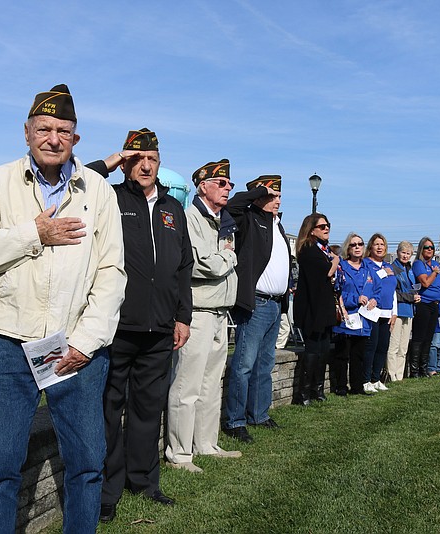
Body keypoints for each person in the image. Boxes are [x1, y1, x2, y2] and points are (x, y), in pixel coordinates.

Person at [0, 84, 127, 532]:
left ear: (76, 139)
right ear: (26, 132)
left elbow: (112, 274)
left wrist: (87, 343)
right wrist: (34, 235)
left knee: (87, 463)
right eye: (43, 128)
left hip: (75, 347)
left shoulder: (99, 192)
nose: (53, 138)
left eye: (63, 130)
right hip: (4, 342)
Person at [86, 127, 193, 520]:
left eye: (152, 159)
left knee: (149, 408)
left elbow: (184, 267)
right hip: (118, 325)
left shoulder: (172, 209)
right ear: (127, 164)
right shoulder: (110, 197)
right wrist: (115, 157)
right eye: (137, 159)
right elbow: (82, 177)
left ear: (160, 164)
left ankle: (145, 482)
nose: (145, 165)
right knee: (109, 409)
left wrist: (183, 316)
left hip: (161, 327)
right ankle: (107, 491)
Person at [165, 159, 240, 474]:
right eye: (221, 183)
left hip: (221, 312)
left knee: (212, 383)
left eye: (229, 184)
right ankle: (180, 453)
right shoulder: (190, 218)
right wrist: (229, 257)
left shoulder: (225, 222)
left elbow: (216, 260)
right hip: (197, 312)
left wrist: (223, 257)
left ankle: (206, 444)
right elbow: (199, 264)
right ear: (203, 185)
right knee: (187, 385)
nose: (227, 189)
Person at [222, 175, 290, 440]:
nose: (278, 201)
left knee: (265, 364)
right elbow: (233, 205)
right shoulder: (248, 218)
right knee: (244, 364)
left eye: (279, 196)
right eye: (273, 196)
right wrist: (259, 192)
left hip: (275, 304)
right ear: (259, 196)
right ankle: (235, 420)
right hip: (257, 302)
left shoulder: (277, 223)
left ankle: (259, 414)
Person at [293, 213, 339, 404]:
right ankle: (303, 393)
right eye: (322, 226)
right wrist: (336, 261)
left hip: (324, 305)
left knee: (323, 348)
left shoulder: (323, 249)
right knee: (312, 349)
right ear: (311, 230)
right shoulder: (308, 249)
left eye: (328, 225)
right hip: (312, 307)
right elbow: (327, 270)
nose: (326, 228)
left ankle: (317, 389)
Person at [332, 233, 372, 396]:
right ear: (347, 248)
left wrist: (374, 299)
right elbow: (337, 291)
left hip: (363, 318)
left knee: (358, 355)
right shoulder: (342, 267)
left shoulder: (367, 268)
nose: (357, 247)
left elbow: (376, 288)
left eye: (360, 244)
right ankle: (341, 386)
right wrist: (355, 299)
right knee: (342, 355)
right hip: (346, 317)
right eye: (353, 244)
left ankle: (357, 386)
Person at [409, 236, 440, 377]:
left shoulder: (435, 265)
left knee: (428, 338)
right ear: (421, 249)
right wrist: (434, 272)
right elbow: (425, 283)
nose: (430, 250)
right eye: (427, 247)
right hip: (423, 304)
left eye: (432, 247)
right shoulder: (419, 264)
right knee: (419, 338)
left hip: (435, 304)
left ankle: (424, 368)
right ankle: (414, 370)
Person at [362, 233, 397, 390]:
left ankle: (376, 378)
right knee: (371, 346)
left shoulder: (388, 266)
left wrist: (394, 312)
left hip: (387, 312)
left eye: (382, 244)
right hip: (372, 311)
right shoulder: (366, 264)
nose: (379, 247)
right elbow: (369, 281)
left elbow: (392, 291)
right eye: (376, 244)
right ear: (370, 247)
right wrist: (383, 274)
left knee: (383, 346)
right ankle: (366, 379)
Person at [387, 241, 419, 381]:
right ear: (397, 252)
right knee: (393, 345)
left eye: (408, 253)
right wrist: (411, 297)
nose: (405, 256)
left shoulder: (410, 269)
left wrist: (415, 298)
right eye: (403, 252)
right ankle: (391, 374)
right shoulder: (393, 268)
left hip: (409, 311)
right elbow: (393, 293)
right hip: (397, 311)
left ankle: (399, 375)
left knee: (403, 347)